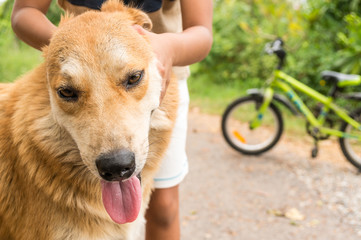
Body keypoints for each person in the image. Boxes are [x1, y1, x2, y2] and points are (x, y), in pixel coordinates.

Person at [11, 0, 213, 239]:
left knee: (165, 208)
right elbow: (24, 12)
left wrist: (166, 48)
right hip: (76, 68)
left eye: (131, 79)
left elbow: (202, 31)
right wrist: (65, 44)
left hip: (161, 71)